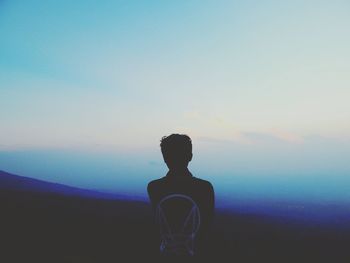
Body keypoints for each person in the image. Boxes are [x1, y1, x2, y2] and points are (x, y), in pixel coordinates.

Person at [147, 134, 215, 256]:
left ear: (165, 158)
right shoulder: (205, 188)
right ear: (190, 156)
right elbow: (208, 226)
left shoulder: (154, 187)